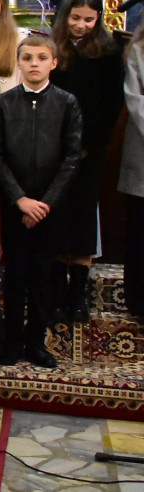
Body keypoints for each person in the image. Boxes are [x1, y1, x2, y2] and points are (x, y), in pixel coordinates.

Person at [0, 35, 82, 368]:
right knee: (15, 274)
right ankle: (11, 341)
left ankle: (36, 341)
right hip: (17, 206)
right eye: (27, 58)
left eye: (41, 58)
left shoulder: (67, 103)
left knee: (43, 275)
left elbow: (72, 157)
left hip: (50, 208)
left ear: (53, 63)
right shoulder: (3, 104)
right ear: (18, 62)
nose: (34, 63)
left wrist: (44, 203)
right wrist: (20, 200)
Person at [49, 0, 125, 322]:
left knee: (82, 220)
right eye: (75, 18)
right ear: (65, 17)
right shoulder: (54, 50)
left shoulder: (108, 54)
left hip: (88, 151)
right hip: (54, 150)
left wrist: (85, 146)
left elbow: (110, 106)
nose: (80, 25)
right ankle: (53, 290)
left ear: (99, 20)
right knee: (57, 218)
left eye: (88, 20)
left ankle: (77, 294)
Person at [121, 22, 144, 316]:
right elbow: (135, 98)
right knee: (139, 230)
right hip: (142, 149)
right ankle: (139, 301)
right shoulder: (136, 51)